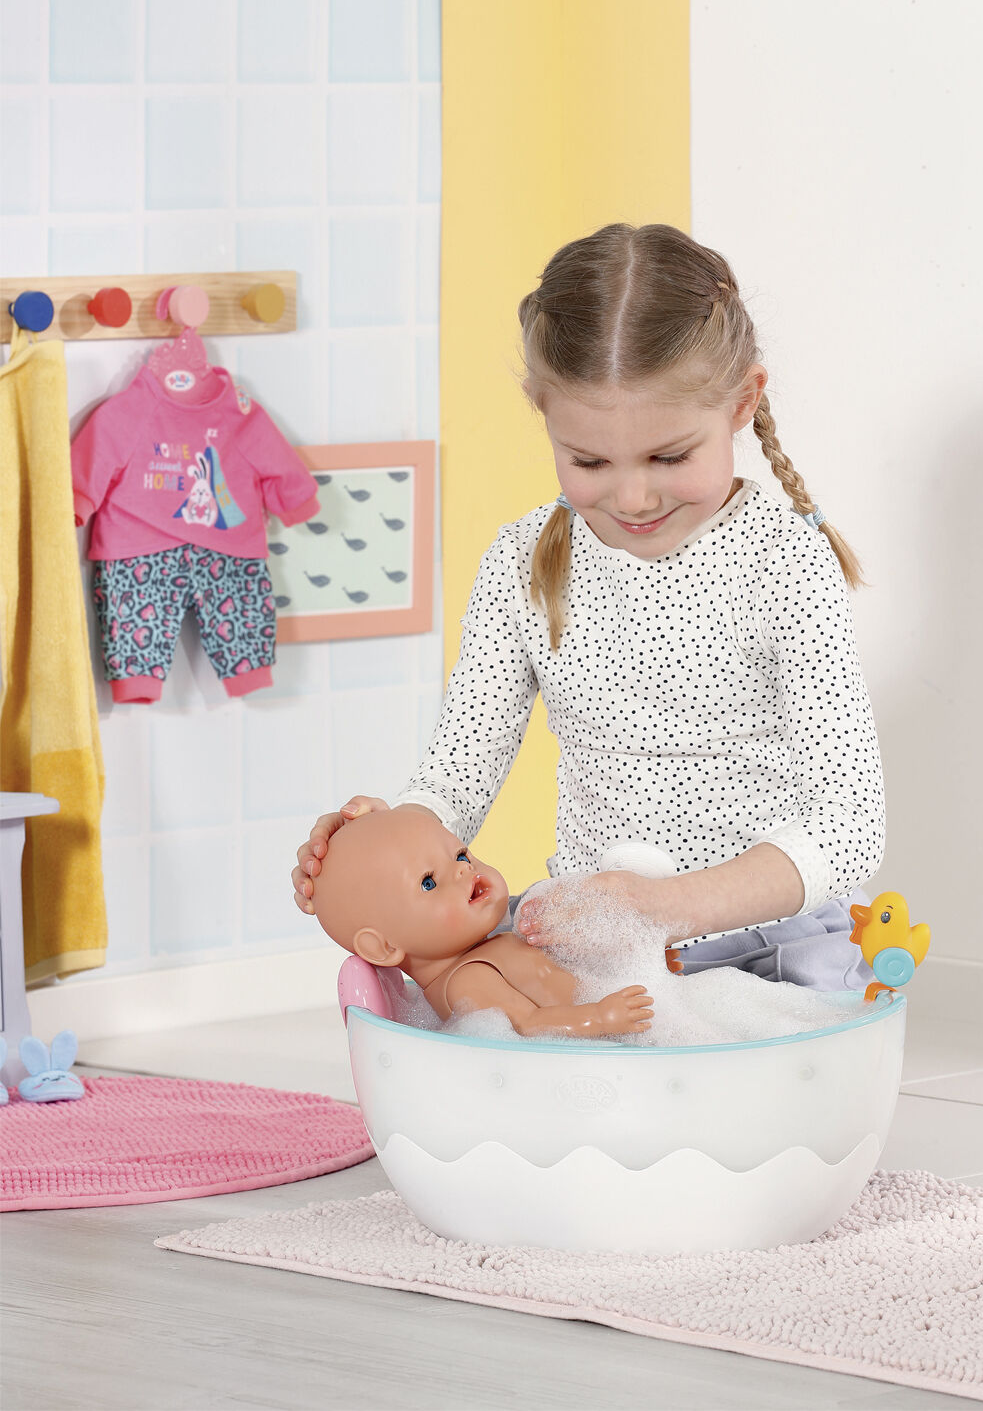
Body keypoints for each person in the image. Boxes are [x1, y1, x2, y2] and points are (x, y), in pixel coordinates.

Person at [293, 223, 884, 991]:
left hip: (772, 943)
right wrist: (388, 846)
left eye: (670, 456)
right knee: (483, 1016)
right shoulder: (522, 562)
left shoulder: (783, 564)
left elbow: (850, 828)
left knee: (736, 1084)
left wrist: (662, 907)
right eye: (589, 460)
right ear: (544, 415)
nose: (633, 497)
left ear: (743, 403)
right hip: (591, 938)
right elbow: (458, 774)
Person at [310, 804, 656, 1037]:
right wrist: (600, 1017)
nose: (464, 869)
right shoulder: (467, 980)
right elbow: (529, 1026)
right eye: (429, 882)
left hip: (636, 1012)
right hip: (607, 1042)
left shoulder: (492, 944)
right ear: (383, 947)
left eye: (461, 854)